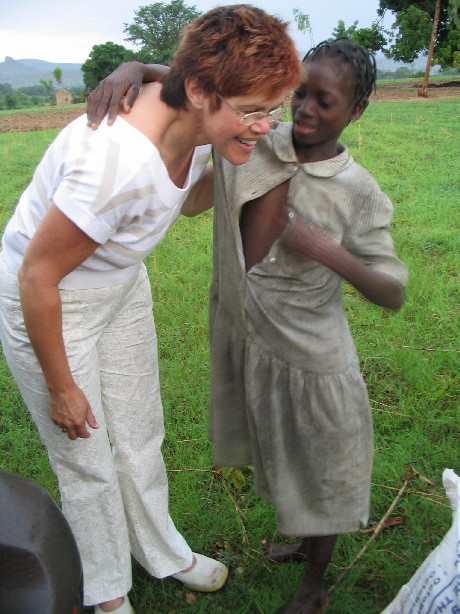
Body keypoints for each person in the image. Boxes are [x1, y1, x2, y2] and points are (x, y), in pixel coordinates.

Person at [86, 38, 408, 614]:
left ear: (356, 110)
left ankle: (313, 587)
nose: (305, 110)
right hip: (253, 342)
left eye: (324, 102)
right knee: (282, 454)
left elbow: (393, 290)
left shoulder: (356, 192)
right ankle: (300, 538)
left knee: (323, 468)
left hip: (315, 359)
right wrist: (137, 68)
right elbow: (206, 90)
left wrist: (325, 249)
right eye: (299, 94)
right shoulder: (253, 142)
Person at [0, 6, 301, 614]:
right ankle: (106, 588)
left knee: (140, 433)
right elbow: (38, 277)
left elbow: (184, 202)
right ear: (199, 91)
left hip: (120, 286)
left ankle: (162, 551)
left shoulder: (190, 120)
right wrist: (62, 388)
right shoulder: (113, 163)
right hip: (51, 303)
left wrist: (255, 152)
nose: (265, 124)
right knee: (86, 458)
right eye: (252, 110)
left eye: (274, 109)